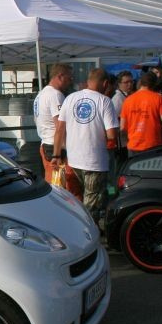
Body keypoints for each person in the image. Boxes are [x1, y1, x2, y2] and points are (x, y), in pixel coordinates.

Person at [52, 68, 118, 222]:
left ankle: (76, 226)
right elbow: (112, 135)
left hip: (74, 159)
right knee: (91, 204)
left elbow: (59, 129)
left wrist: (56, 154)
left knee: (78, 199)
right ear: (105, 83)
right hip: (95, 161)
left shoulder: (70, 98)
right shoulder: (105, 101)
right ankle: (88, 231)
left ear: (88, 81)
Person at [34, 63, 80, 195]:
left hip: (46, 144)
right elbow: (60, 125)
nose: (71, 81)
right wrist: (62, 152)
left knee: (54, 187)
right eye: (69, 78)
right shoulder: (55, 95)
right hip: (57, 147)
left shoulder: (41, 94)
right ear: (60, 76)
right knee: (68, 189)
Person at [119, 71, 162, 154]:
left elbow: (122, 127)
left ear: (141, 82)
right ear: (154, 84)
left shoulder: (128, 100)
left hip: (134, 144)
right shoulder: (158, 98)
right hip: (153, 144)